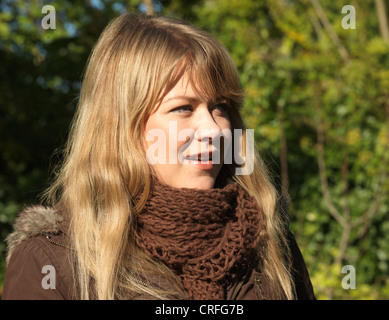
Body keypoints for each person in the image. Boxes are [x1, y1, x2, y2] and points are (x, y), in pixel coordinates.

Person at [3, 12, 315, 300]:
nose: (213, 129)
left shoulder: (270, 242)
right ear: (122, 127)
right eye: (183, 108)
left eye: (219, 107)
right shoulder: (52, 260)